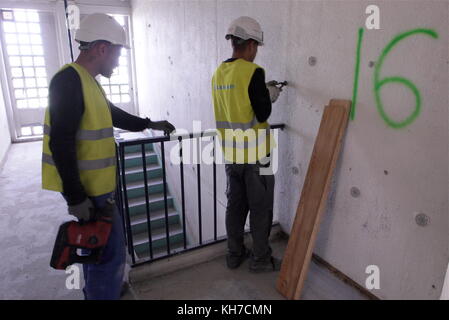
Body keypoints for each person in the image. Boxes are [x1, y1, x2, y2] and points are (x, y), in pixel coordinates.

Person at [41, 13, 175, 299]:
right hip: (89, 193)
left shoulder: (88, 81)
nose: (117, 60)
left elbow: (113, 114)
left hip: (100, 189)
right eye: (117, 53)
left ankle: (103, 292)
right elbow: (61, 144)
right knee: (108, 256)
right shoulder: (68, 81)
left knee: (98, 250)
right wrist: (76, 197)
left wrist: (149, 124)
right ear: (102, 48)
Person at [211, 16, 283, 273]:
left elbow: (237, 103)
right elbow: (262, 113)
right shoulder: (253, 72)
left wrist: (260, 93)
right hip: (258, 157)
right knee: (260, 209)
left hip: (232, 155)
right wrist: (269, 95)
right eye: (256, 47)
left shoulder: (219, 73)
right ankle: (261, 260)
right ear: (251, 44)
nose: (256, 53)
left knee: (236, 207)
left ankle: (235, 253)